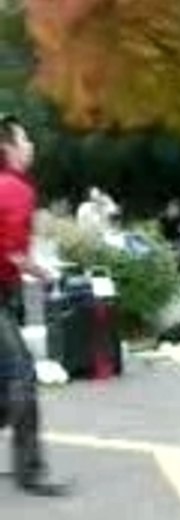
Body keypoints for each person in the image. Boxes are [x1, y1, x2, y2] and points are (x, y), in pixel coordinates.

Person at [0, 114, 70, 496]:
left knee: (4, 381)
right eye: (25, 140)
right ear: (8, 148)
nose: (32, 146)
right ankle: (31, 472)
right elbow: (14, 255)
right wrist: (47, 274)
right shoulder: (15, 189)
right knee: (22, 375)